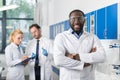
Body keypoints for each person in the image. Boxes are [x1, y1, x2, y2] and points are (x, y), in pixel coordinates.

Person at [53, 9, 106, 80]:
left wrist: (76, 56)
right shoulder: (61, 37)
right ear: (69, 21)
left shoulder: (93, 37)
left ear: (84, 20)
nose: (76, 22)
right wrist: (84, 64)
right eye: (73, 19)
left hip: (87, 77)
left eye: (79, 18)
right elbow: (58, 60)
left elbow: (102, 56)